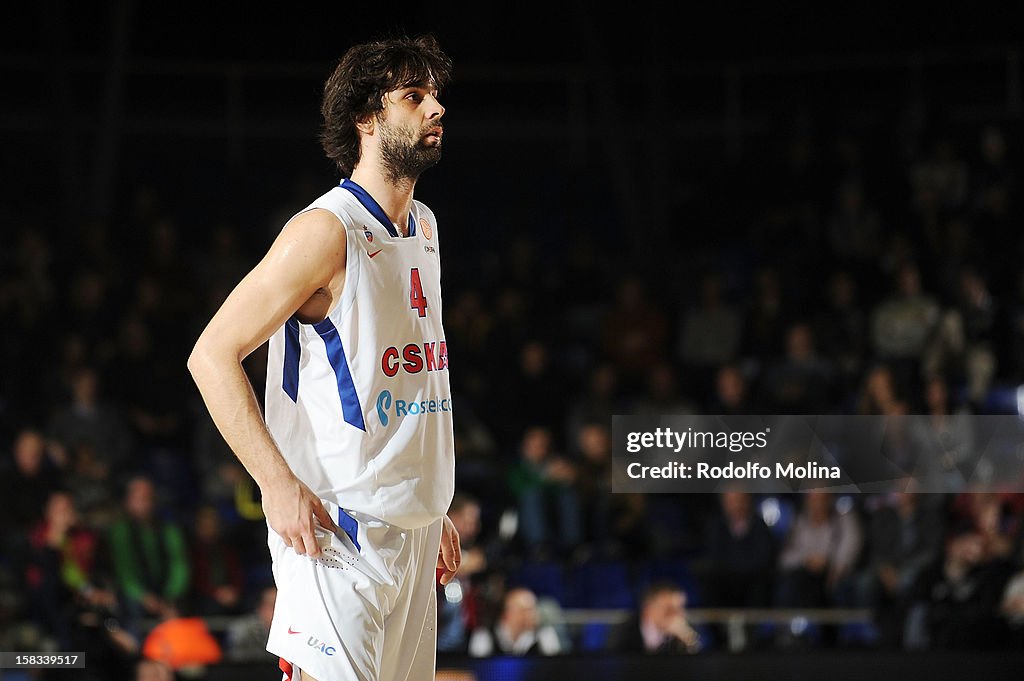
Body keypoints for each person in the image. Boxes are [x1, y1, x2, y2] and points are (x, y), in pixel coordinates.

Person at [188, 34, 461, 681]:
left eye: (438, 96)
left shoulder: (423, 224)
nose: (437, 109)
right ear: (365, 118)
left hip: (413, 534)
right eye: (415, 96)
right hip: (337, 532)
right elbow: (211, 355)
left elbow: (410, 373)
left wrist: (430, 503)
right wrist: (276, 483)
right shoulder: (325, 229)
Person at [467, 587, 563, 657]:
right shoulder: (484, 635)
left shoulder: (545, 635)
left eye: (534, 609)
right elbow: (477, 670)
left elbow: (554, 670)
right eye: (526, 610)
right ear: (508, 613)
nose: (533, 614)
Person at [610, 581, 701, 654]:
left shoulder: (687, 633)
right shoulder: (622, 631)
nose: (675, 614)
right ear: (647, 609)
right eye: (668, 608)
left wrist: (688, 641)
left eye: (679, 607)